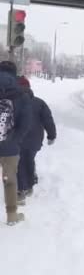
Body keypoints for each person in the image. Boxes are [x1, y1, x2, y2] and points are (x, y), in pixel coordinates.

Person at [0, 61, 32, 225]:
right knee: (9, 180)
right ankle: (12, 216)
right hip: (10, 147)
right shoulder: (21, 94)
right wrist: (15, 139)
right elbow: (26, 122)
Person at [17, 86, 56, 204]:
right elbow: (48, 120)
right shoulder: (39, 102)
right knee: (29, 160)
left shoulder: (13, 103)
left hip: (18, 139)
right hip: (35, 140)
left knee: (19, 163)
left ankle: (21, 190)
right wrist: (51, 135)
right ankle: (30, 185)